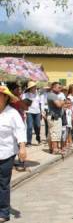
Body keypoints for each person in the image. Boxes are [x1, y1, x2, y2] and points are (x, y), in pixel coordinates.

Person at [0, 85, 27, 222]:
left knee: (3, 183)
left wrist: (22, 147)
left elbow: (20, 131)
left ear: (6, 98)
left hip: (6, 153)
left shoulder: (12, 113)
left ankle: (4, 212)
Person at [22, 81, 42, 146]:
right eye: (33, 87)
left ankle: (38, 137)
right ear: (30, 88)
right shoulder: (25, 94)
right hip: (29, 112)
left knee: (38, 126)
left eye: (35, 87)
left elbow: (39, 103)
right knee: (29, 127)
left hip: (37, 112)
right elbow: (23, 104)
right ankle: (29, 142)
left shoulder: (38, 94)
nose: (35, 88)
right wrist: (24, 112)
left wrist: (41, 111)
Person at [47, 82, 65, 154]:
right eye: (58, 87)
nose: (60, 89)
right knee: (55, 132)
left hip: (53, 116)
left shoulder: (53, 95)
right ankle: (55, 149)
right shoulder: (53, 95)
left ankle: (52, 148)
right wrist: (63, 101)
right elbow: (59, 105)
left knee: (52, 133)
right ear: (53, 88)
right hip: (55, 117)